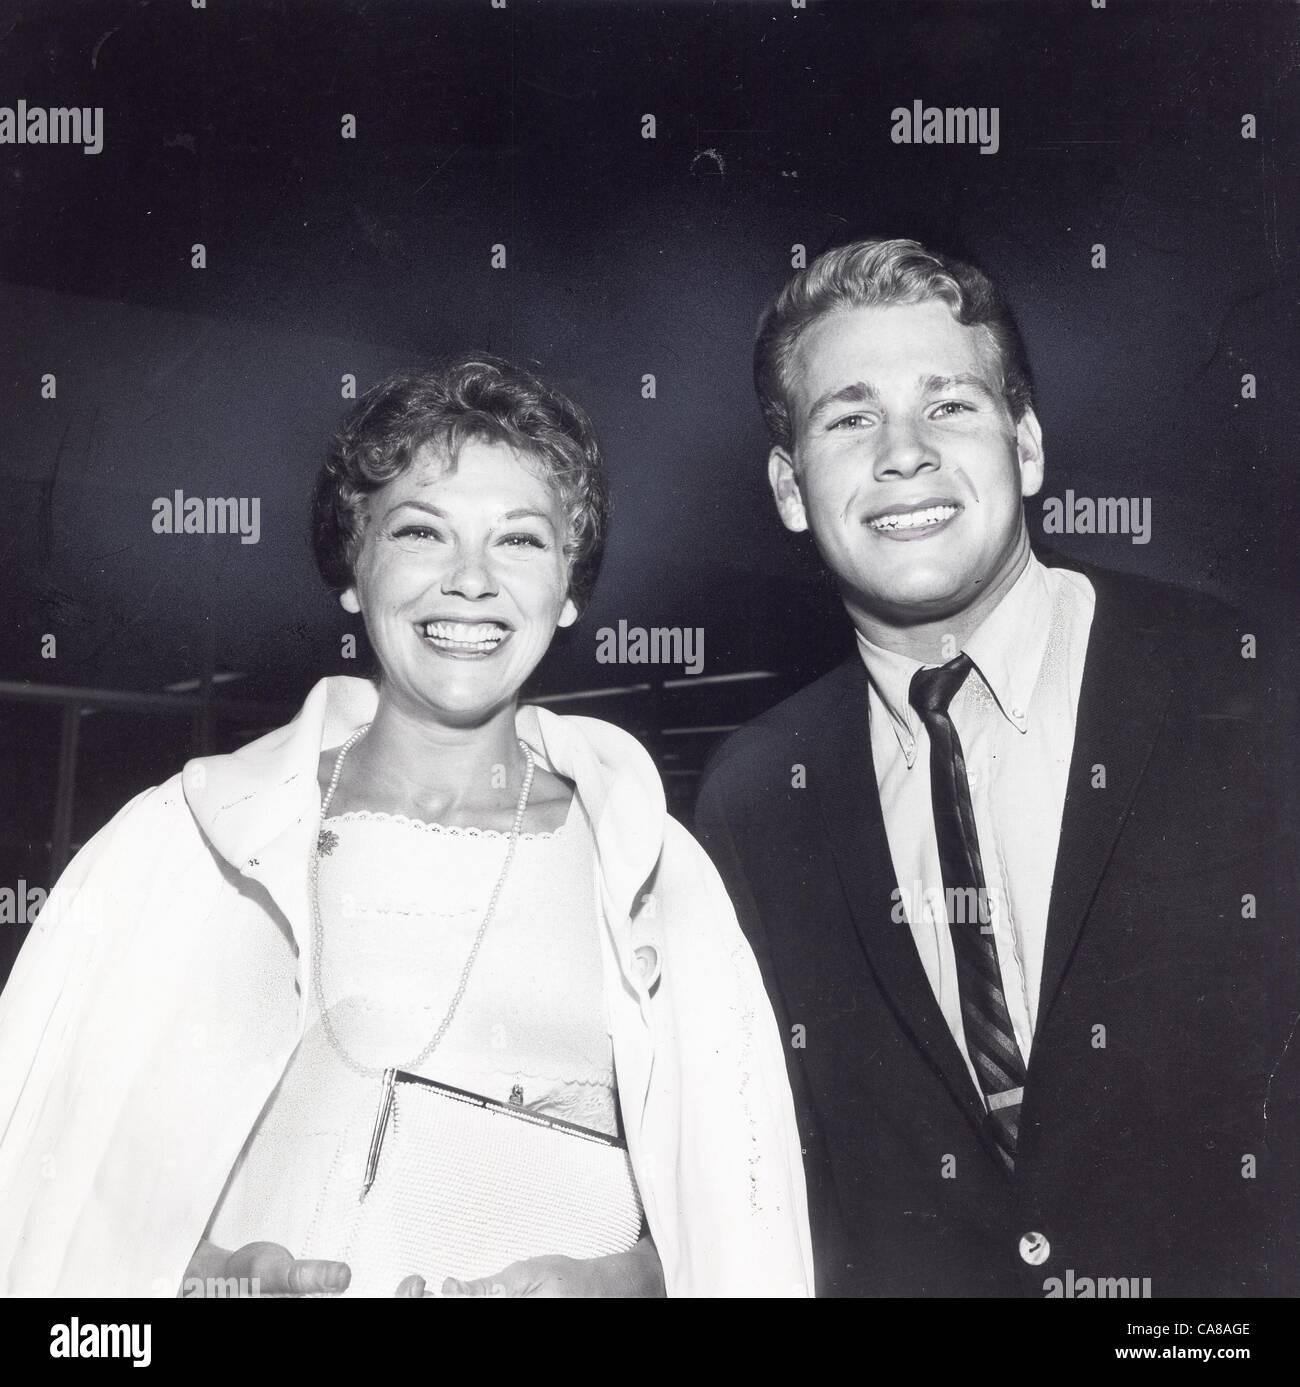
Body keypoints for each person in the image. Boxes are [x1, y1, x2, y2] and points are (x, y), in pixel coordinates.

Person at [0, 356, 813, 1298]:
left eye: (520, 541)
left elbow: (738, 1230)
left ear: (571, 589)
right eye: (422, 530)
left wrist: (623, 1282)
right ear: (354, 568)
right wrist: (205, 1275)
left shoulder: (653, 871)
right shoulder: (184, 845)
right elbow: (47, 1204)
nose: (471, 581)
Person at [694, 238, 1299, 1297]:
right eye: (848, 418)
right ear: (790, 489)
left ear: (1025, 448)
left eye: (949, 406)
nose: (903, 452)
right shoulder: (753, 797)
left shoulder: (1249, 686)